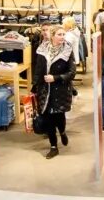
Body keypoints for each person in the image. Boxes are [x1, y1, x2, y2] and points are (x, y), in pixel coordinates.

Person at [33, 25, 76, 159]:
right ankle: (53, 146)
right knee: (48, 119)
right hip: (44, 90)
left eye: (63, 34)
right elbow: (38, 69)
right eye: (59, 34)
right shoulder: (42, 49)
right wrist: (35, 87)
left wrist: (55, 78)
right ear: (52, 36)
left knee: (59, 116)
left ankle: (62, 131)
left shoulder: (67, 50)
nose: (62, 37)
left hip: (61, 90)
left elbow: (72, 73)